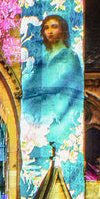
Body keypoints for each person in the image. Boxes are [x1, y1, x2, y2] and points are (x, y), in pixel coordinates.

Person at [21, 14, 83, 151]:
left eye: (54, 27)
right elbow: (30, 86)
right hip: (37, 114)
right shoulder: (43, 59)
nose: (49, 31)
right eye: (46, 27)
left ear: (63, 30)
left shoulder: (70, 57)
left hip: (58, 115)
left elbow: (71, 90)